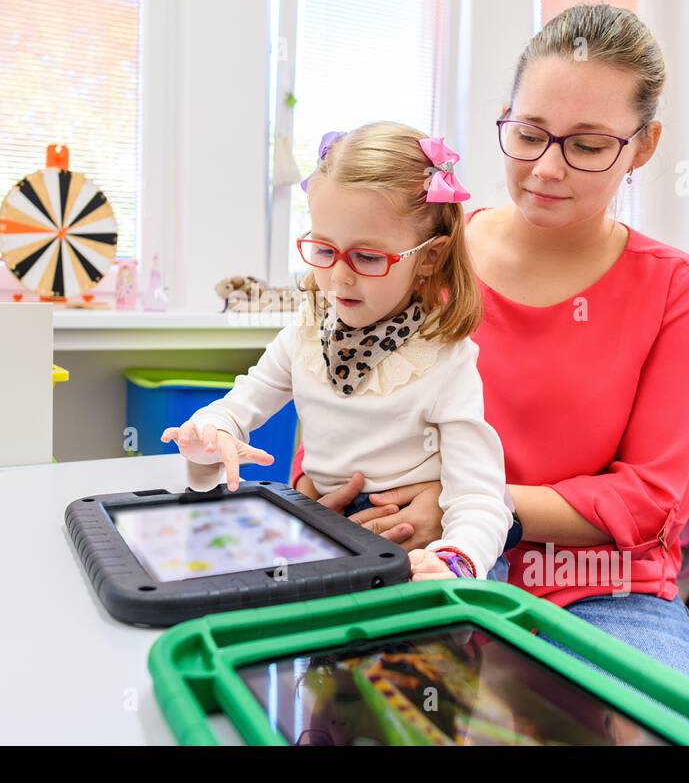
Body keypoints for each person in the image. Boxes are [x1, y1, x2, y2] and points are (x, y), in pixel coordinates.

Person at [293, 4, 689, 687]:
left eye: (587, 146)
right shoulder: (425, 257)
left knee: (664, 726)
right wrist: (339, 498)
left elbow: (652, 500)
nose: (547, 170)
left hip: (599, 592)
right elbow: (334, 420)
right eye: (529, 134)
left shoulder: (676, 290)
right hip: (419, 562)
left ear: (643, 145)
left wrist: (472, 501)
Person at [162, 122, 515, 583]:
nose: (339, 278)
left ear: (429, 257)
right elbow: (238, 406)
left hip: (427, 548)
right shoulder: (304, 336)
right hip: (331, 531)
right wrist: (212, 435)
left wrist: (456, 559)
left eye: (368, 258)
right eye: (324, 249)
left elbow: (480, 497)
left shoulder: (445, 359)